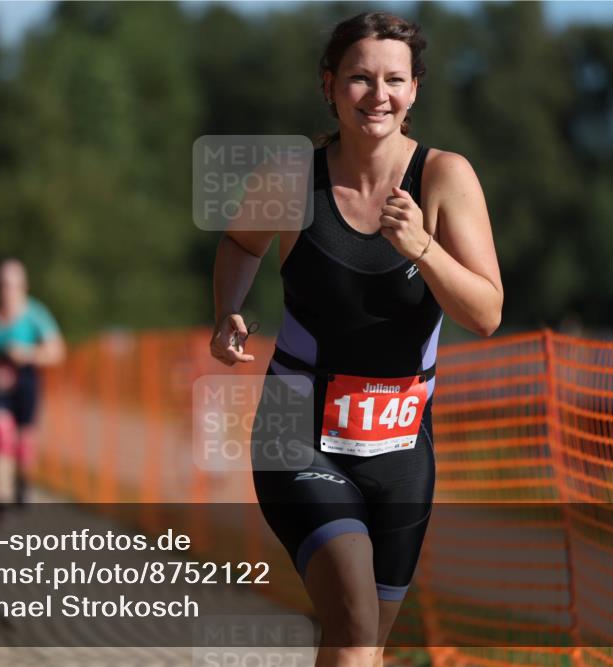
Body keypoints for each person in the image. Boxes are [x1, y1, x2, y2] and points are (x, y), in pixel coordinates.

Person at [209, 12, 502, 665]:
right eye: (360, 78)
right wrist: (228, 308)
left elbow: (485, 312)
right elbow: (238, 242)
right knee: (354, 621)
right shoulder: (292, 178)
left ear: (415, 90)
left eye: (394, 79)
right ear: (329, 86)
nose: (378, 94)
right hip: (298, 432)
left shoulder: (443, 178)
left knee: (358, 643)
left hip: (402, 449)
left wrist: (421, 246)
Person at [0, 259, 66, 525]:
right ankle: (0, 500)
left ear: (23, 287)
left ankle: (22, 482)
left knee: (24, 444)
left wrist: (28, 354)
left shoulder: (36, 315)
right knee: (2, 435)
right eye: (2, 285)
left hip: (25, 380)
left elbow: (57, 352)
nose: (6, 291)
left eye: (12, 285)